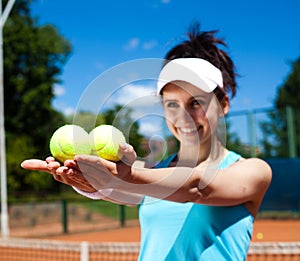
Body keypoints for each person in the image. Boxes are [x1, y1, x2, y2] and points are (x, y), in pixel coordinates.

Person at [21, 22, 272, 260]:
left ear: (223, 105)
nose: (182, 116)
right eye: (172, 104)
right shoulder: (156, 173)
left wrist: (126, 176)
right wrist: (84, 180)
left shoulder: (253, 171)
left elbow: (197, 187)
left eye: (196, 102)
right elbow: (113, 188)